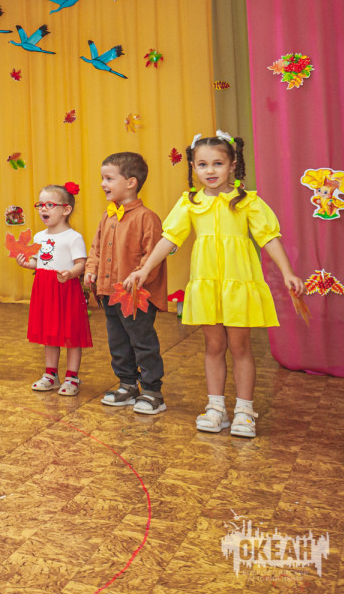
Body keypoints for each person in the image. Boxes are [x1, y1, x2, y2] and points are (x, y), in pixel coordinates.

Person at [127, 132, 305, 438]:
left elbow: (269, 238)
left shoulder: (248, 202)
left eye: (218, 163)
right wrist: (144, 270)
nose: (210, 170)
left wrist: (288, 272)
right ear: (193, 167)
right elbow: (169, 239)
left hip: (239, 284)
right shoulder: (190, 203)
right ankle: (216, 408)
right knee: (213, 346)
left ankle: (245, 411)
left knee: (240, 347)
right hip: (207, 286)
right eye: (202, 164)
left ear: (233, 165)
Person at [85, 152, 168, 414]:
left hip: (135, 296)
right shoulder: (107, 216)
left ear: (131, 182)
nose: (103, 184)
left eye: (109, 178)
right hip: (109, 293)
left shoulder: (147, 217)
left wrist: (138, 278)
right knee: (118, 343)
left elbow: (152, 257)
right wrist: (91, 270)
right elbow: (96, 248)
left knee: (142, 342)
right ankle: (127, 385)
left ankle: (152, 391)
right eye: (102, 178)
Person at [17, 183, 92, 396]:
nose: (43, 209)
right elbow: (38, 262)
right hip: (45, 290)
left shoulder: (73, 237)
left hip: (66, 290)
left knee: (71, 334)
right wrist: (27, 263)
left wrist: (70, 273)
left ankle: (72, 377)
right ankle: (51, 375)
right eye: (40, 205)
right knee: (49, 334)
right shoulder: (39, 237)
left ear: (66, 209)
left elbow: (81, 264)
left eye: (49, 204)